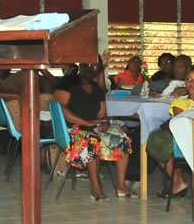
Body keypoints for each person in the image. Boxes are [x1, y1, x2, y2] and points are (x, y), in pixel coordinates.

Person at [54, 60, 136, 201]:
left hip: (92, 129)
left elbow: (102, 115)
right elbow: (60, 110)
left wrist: (105, 123)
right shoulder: (67, 84)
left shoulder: (97, 89)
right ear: (81, 65)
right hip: (71, 130)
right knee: (93, 141)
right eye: (88, 64)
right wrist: (86, 122)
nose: (91, 68)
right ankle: (95, 187)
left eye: (96, 66)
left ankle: (121, 186)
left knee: (121, 138)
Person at [146, 65, 194, 198]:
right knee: (159, 142)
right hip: (192, 140)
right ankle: (190, 178)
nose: (192, 83)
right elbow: (186, 123)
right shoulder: (180, 103)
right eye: (189, 79)